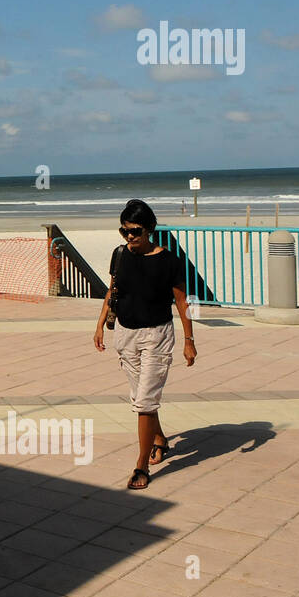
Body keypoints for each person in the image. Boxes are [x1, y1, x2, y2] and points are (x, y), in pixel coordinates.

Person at [93, 198, 197, 490]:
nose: (129, 237)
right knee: (142, 396)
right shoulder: (120, 255)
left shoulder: (168, 260)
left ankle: (140, 465)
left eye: (135, 231)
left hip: (157, 335)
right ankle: (159, 437)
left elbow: (182, 302)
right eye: (124, 231)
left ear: (149, 230)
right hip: (126, 334)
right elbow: (112, 291)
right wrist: (100, 324)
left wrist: (189, 340)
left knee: (145, 401)